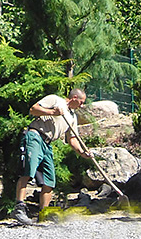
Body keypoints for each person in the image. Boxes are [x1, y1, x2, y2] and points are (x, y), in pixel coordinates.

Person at [14, 87, 89, 225]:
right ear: (74, 98)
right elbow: (33, 109)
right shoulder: (55, 100)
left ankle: (43, 214)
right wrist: (52, 112)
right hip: (35, 136)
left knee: (49, 180)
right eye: (81, 102)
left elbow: (72, 139)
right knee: (28, 172)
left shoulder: (72, 117)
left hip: (48, 144)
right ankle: (19, 208)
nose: (82, 106)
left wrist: (83, 153)